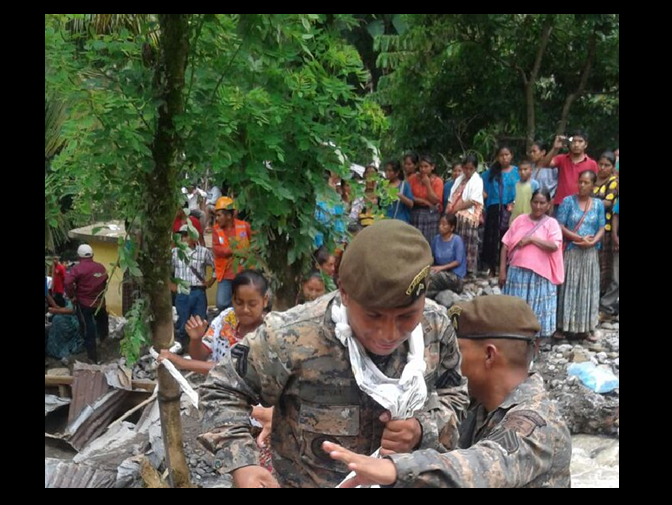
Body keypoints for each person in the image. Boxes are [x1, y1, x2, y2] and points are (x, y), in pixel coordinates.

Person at [199, 220, 469, 488]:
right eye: (373, 316)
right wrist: (243, 464)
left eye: (406, 316)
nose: (389, 333)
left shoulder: (434, 326)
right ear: (345, 294)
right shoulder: (291, 337)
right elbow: (222, 388)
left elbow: (455, 395)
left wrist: (423, 428)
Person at [323, 296, 572, 489]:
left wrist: (395, 469)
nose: (450, 359)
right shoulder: (482, 405)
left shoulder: (536, 422)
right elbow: (448, 436)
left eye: (458, 349)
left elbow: (484, 464)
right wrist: (417, 430)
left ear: (489, 355)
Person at [500, 189, 564, 339]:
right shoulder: (520, 220)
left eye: (542, 203)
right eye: (535, 202)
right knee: (515, 310)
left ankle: (534, 346)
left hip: (539, 277)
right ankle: (515, 342)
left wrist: (532, 240)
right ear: (530, 203)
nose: (538, 206)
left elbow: (554, 246)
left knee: (537, 312)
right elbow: (505, 246)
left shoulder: (552, 224)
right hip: (517, 274)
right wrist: (502, 270)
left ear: (549, 205)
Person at [555, 171, 605, 341]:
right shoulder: (568, 201)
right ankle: (563, 326)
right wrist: (578, 238)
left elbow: (601, 227)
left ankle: (585, 327)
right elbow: (559, 225)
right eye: (580, 182)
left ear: (593, 185)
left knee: (588, 287)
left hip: (590, 253)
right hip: (572, 251)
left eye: (586, 183)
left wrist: (592, 242)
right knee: (568, 286)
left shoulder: (598, 204)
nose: (582, 185)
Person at [171, 225, 216, 347]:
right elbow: (166, 271)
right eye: (181, 235)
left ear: (194, 236)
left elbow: (215, 266)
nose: (183, 238)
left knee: (200, 320)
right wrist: (171, 284)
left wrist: (210, 281)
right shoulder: (175, 253)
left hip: (198, 291)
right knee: (182, 319)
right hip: (182, 292)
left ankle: (198, 347)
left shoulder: (203, 252)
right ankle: (182, 345)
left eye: (186, 235)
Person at [65, 244, 109, 363]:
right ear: (92, 255)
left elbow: (68, 282)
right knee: (103, 323)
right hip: (100, 303)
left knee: (87, 330)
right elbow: (105, 281)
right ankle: (105, 345)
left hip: (84, 304)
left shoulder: (77, 269)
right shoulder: (101, 267)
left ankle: (92, 358)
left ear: (79, 256)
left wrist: (72, 296)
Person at [540, 130, 598, 213]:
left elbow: (595, 185)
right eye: (574, 141)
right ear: (569, 143)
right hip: (561, 203)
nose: (576, 144)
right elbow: (544, 164)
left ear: (586, 144)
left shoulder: (592, 164)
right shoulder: (561, 159)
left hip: (582, 205)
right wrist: (555, 148)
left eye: (580, 141)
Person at [212, 197, 252, 311]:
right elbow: (216, 249)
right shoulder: (216, 229)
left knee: (244, 301)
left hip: (243, 272)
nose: (217, 218)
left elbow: (255, 244)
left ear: (229, 216)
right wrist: (234, 251)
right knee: (221, 303)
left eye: (219, 215)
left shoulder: (244, 226)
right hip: (225, 273)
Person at [446, 155, 483, 274]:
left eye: (471, 169)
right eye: (466, 168)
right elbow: (452, 195)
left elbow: (473, 200)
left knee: (468, 243)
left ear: (475, 169)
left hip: (467, 217)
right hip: (456, 215)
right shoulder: (459, 179)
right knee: (456, 242)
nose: (468, 171)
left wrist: (456, 208)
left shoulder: (477, 181)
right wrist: (449, 206)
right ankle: (455, 268)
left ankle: (469, 269)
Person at [428, 213, 466, 297]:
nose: (440, 226)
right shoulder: (436, 239)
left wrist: (440, 268)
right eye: (440, 224)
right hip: (440, 271)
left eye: (444, 224)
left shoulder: (457, 240)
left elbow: (458, 261)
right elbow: (431, 256)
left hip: (454, 276)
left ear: (452, 228)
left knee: (434, 276)